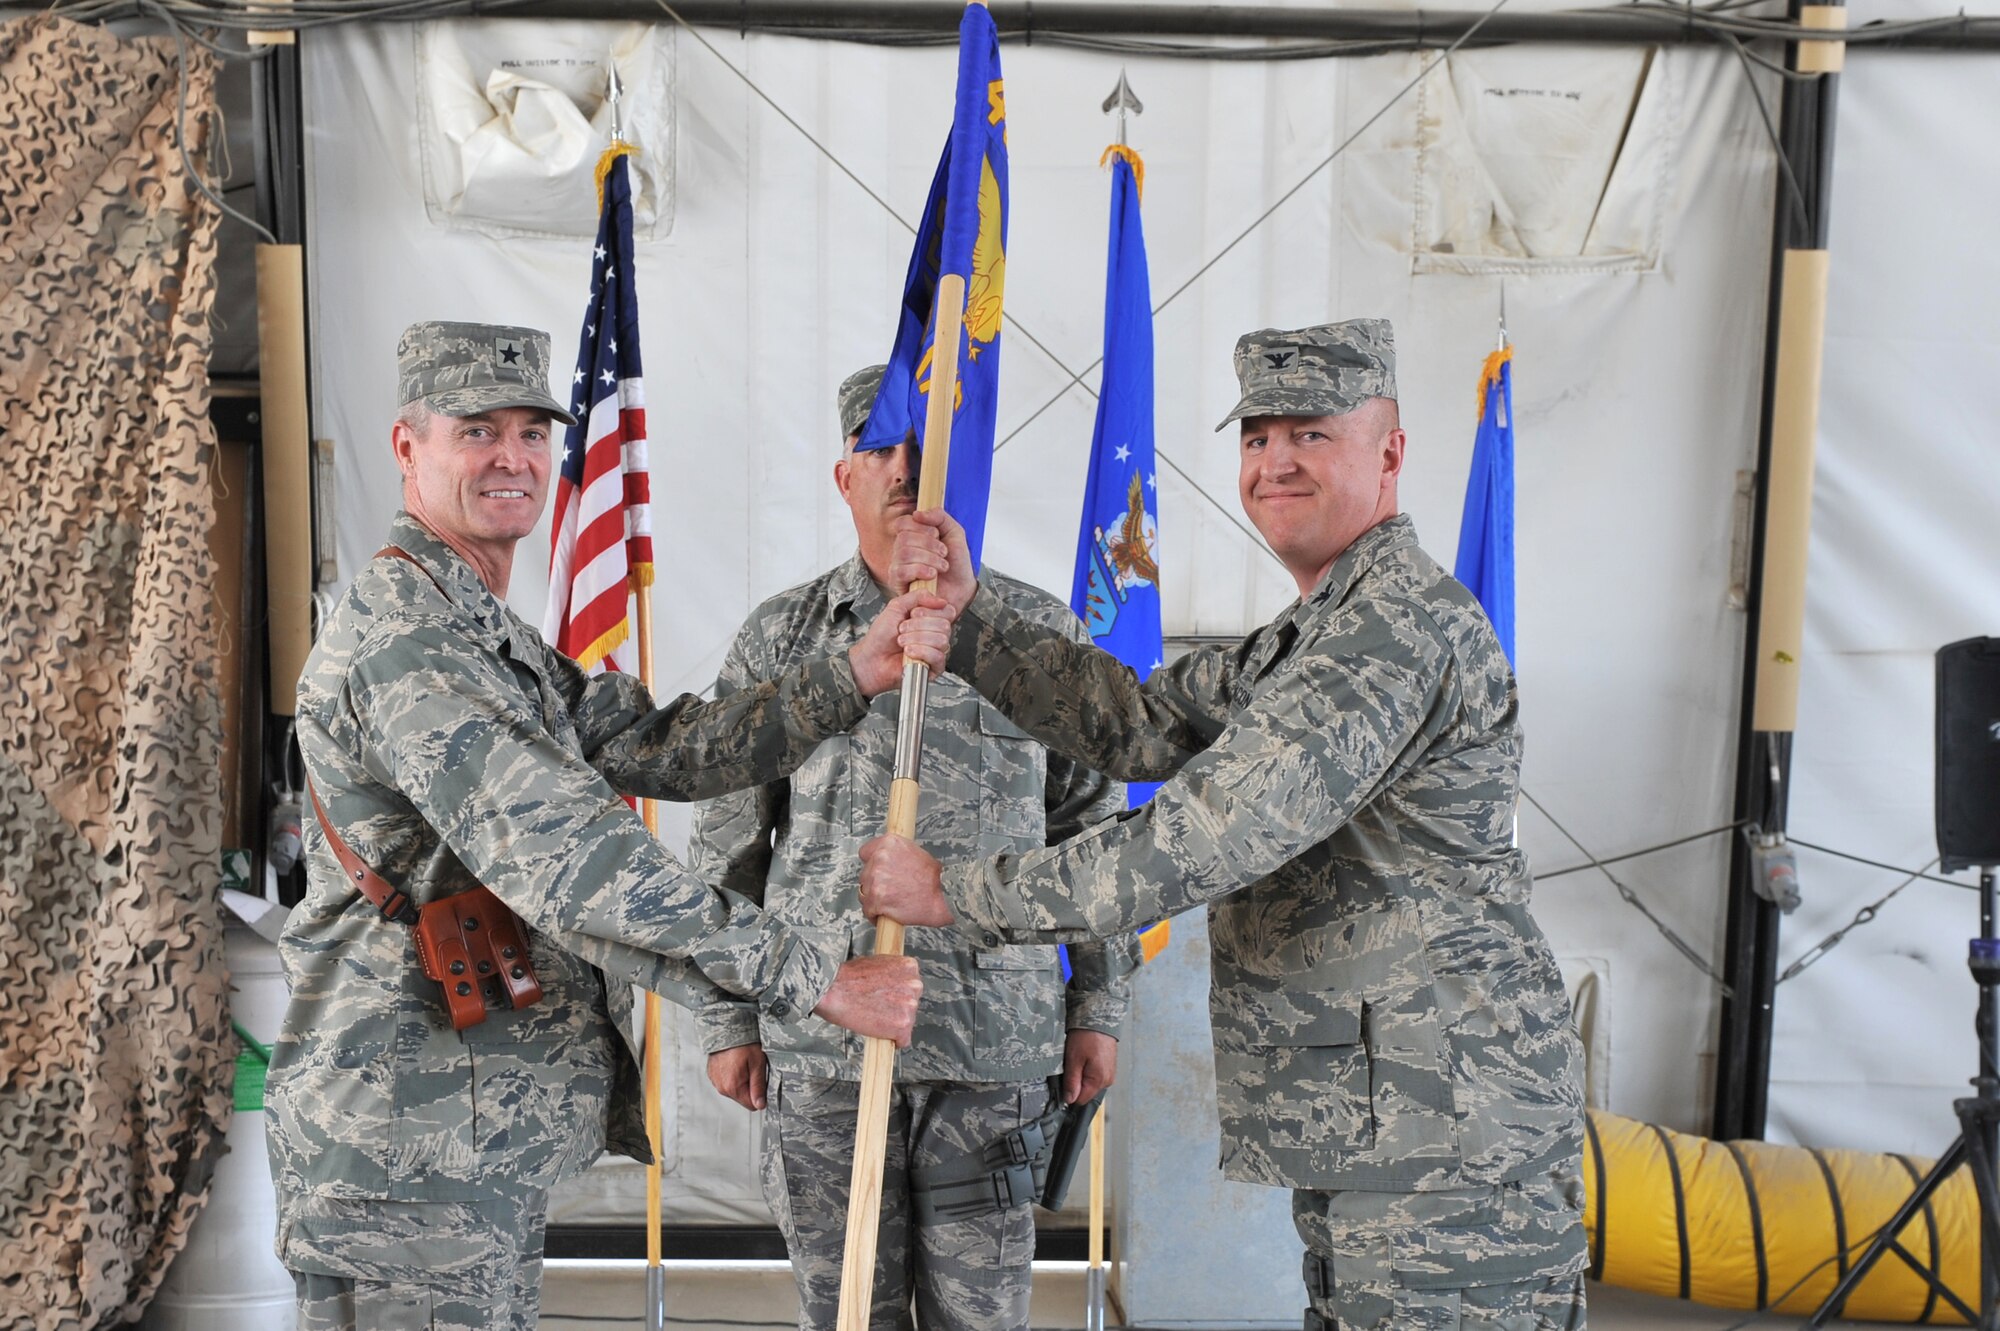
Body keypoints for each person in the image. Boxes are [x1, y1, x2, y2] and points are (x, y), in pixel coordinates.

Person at [862, 319, 1590, 1330]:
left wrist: (956, 891)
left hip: (1445, 1133)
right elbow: (1142, 721)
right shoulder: (1314, 630)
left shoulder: (1388, 632)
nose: (1273, 461)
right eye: (1255, 436)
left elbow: (1204, 833)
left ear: (1389, 451)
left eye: (1310, 433)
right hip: (1391, 1121)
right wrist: (977, 622)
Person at [266, 321, 941, 1331]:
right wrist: (819, 979)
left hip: (464, 1136)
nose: (511, 457)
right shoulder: (411, 642)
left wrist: (850, 674)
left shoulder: (478, 629)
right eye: (476, 430)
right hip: (405, 1151)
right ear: (407, 446)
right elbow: (579, 862)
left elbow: (659, 745)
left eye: (531, 433)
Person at [686, 364, 1139, 1331]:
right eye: (880, 448)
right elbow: (728, 838)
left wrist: (1096, 1002)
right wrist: (726, 1019)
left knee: (982, 1320)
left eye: (924, 450)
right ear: (843, 474)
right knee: (848, 1313)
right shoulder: (783, 640)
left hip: (996, 1050)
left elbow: (1093, 833)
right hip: (825, 1045)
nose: (902, 469)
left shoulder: (1034, 637)